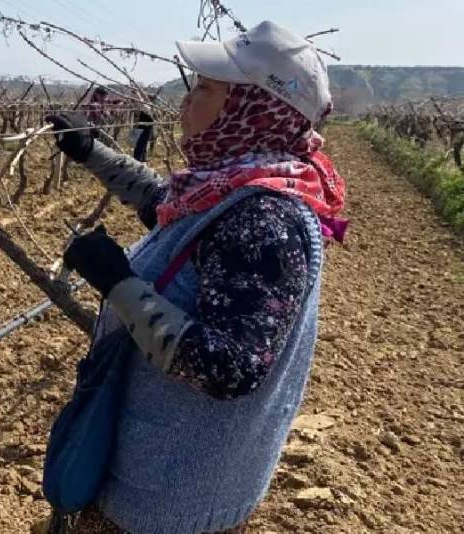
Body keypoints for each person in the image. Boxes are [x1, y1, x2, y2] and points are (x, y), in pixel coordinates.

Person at [43, 21, 347, 533]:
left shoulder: (265, 220)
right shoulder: (235, 187)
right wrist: (93, 151)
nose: (187, 100)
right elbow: (172, 209)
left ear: (253, 108)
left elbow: (229, 367)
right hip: (165, 469)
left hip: (170, 497)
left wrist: (119, 284)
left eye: (206, 88)